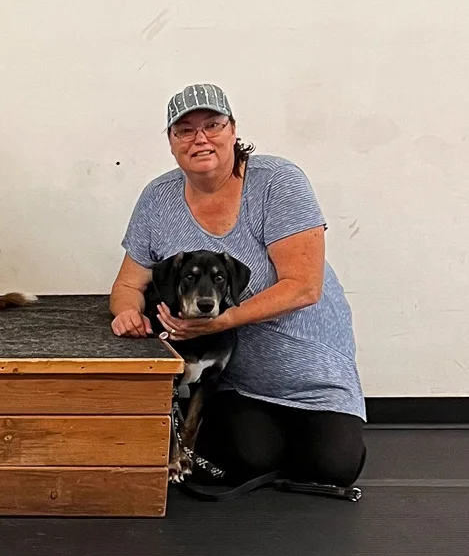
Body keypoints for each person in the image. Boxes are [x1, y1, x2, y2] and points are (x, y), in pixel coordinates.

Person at [110, 83, 366, 487]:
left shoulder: (277, 181)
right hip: (236, 380)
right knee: (246, 459)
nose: (200, 138)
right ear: (171, 142)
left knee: (333, 468)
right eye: (185, 130)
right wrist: (127, 313)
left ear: (233, 130)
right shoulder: (158, 198)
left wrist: (223, 321)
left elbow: (304, 287)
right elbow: (128, 283)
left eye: (213, 125)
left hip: (310, 370)